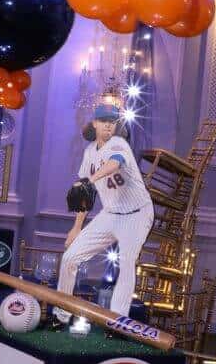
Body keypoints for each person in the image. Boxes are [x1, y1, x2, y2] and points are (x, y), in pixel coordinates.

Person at [56, 103, 154, 319]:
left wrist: (90, 181)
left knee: (127, 262)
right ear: (95, 123)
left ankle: (117, 321)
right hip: (110, 215)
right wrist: (76, 228)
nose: (109, 126)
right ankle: (61, 315)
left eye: (112, 122)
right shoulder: (89, 152)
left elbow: (114, 164)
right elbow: (85, 195)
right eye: (104, 121)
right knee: (70, 258)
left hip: (137, 214)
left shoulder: (119, 143)